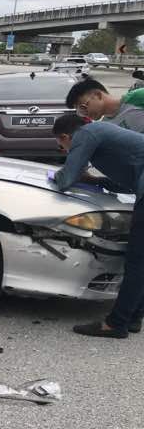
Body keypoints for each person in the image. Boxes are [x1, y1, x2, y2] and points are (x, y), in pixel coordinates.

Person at [51, 114, 144, 338]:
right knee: (140, 260)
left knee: (137, 260)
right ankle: (132, 317)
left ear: (66, 136)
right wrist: (95, 181)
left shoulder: (86, 133)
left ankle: (115, 324)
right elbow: (128, 184)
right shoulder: (102, 133)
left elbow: (66, 179)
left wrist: (55, 175)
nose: (65, 151)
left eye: (62, 146)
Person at [64, 78, 144, 132]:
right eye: (80, 112)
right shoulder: (106, 127)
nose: (85, 114)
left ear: (98, 95)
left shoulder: (136, 98)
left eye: (83, 107)